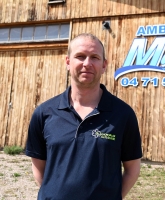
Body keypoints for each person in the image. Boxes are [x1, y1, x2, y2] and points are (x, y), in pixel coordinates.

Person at [25, 33, 142, 199]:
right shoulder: (44, 113)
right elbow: (38, 164)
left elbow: (132, 168)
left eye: (94, 57)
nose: (87, 63)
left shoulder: (123, 114)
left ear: (104, 65)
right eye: (80, 56)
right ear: (68, 62)